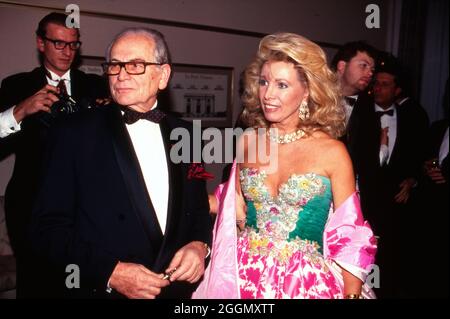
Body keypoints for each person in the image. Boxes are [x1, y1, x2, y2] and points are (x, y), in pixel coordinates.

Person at [31, 27, 212, 299]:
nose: (121, 74)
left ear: (163, 75)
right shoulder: (72, 133)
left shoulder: (190, 135)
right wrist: (110, 273)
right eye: (114, 65)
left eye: (136, 65)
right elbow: (46, 230)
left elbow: (198, 210)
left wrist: (200, 246)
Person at [193, 33, 377, 299]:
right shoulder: (248, 142)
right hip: (242, 275)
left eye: (281, 85)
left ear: (307, 91)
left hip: (305, 283)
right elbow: (231, 205)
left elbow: (350, 234)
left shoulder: (333, 152)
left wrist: (351, 295)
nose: (268, 94)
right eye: (264, 82)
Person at [0, 12, 108, 298]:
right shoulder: (16, 86)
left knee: (82, 283)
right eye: (59, 44)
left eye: (73, 44)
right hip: (30, 207)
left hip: (85, 208)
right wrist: (21, 110)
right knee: (37, 284)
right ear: (40, 43)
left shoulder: (98, 86)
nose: (67, 51)